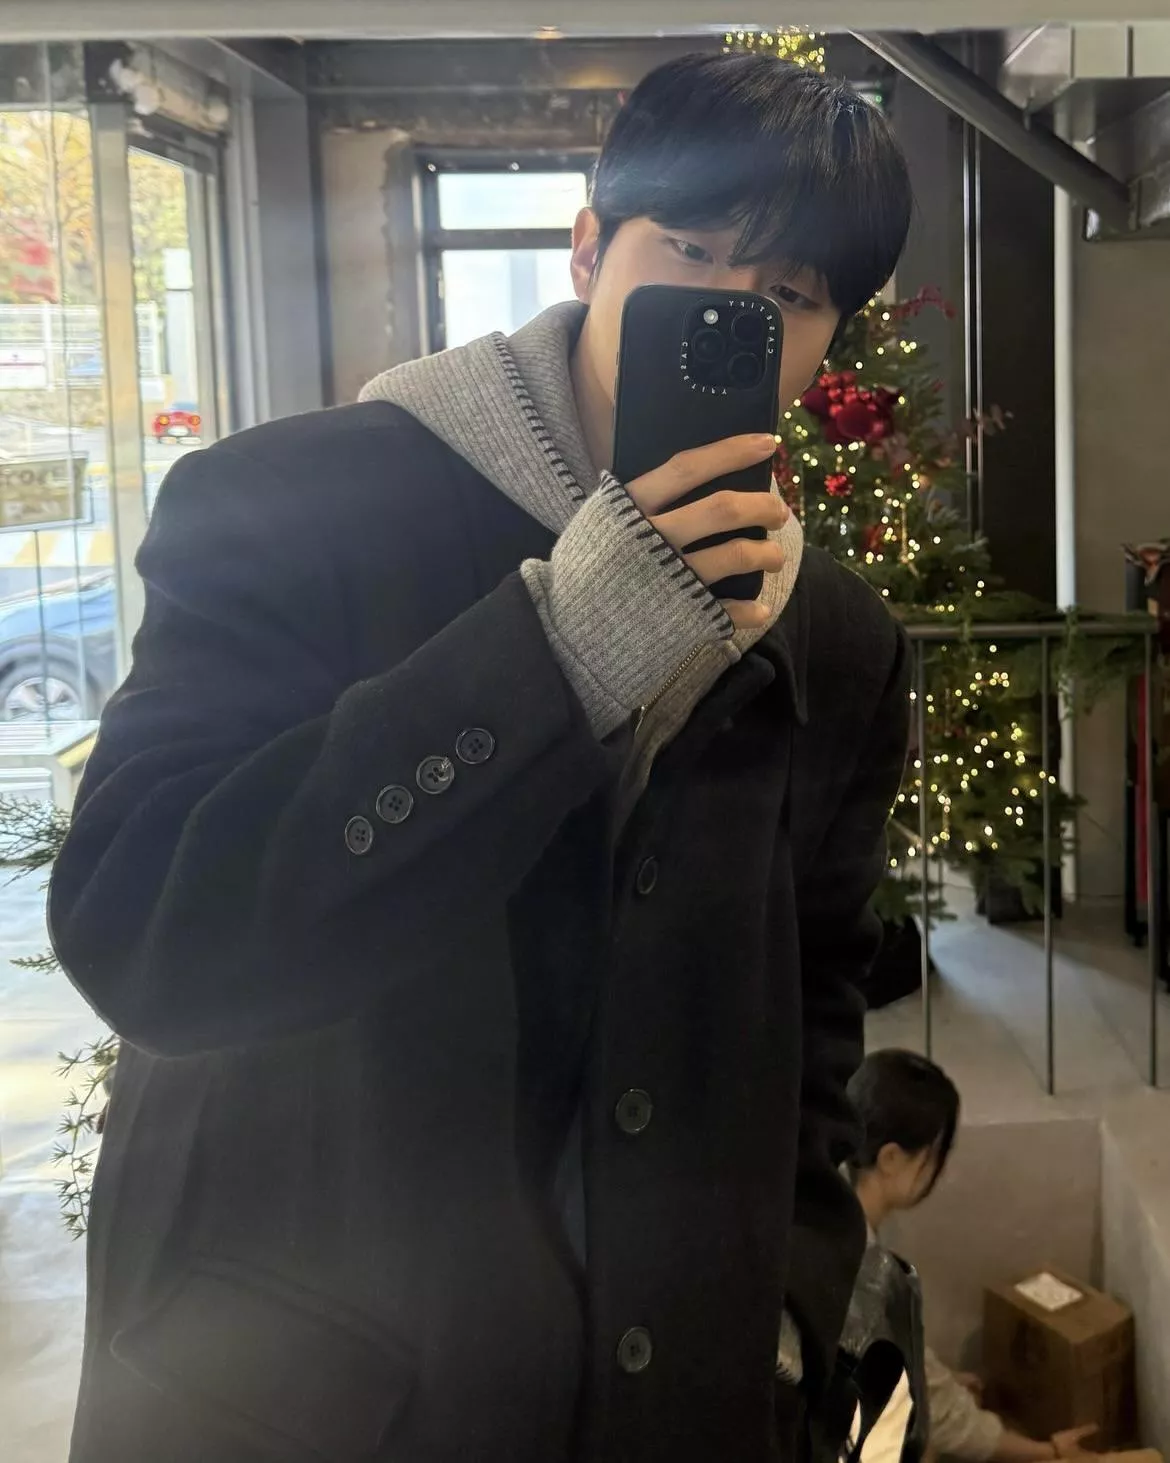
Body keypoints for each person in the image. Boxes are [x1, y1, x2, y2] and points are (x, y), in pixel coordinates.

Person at [50, 53, 914, 1463]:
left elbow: (820, 997)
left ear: (829, 338)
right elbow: (146, 933)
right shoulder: (291, 503)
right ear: (588, 247)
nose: (733, 311)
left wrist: (789, 1310)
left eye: (790, 293)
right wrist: (565, 645)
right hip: (308, 1398)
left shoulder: (834, 636)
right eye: (691, 253)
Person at [847, 1051, 1099, 1463]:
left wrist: (936, 1381)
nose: (939, 1171)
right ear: (891, 1159)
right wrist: (1048, 1451)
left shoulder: (830, 1209)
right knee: (920, 1444)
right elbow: (940, 1416)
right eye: (933, 1155)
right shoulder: (862, 1270)